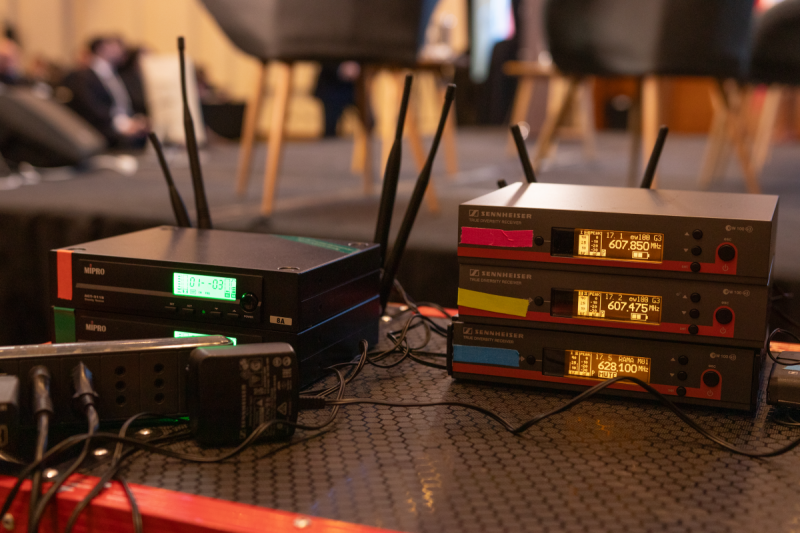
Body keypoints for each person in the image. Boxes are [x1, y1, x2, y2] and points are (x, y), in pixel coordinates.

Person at [62, 36, 148, 148]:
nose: (119, 49)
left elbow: (125, 104)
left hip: (121, 124)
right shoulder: (83, 76)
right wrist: (123, 125)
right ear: (100, 48)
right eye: (113, 45)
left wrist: (135, 120)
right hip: (102, 129)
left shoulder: (116, 74)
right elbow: (92, 108)